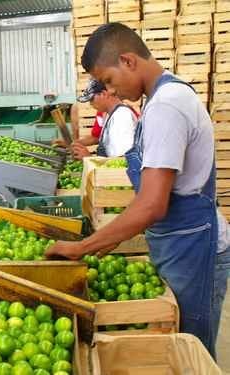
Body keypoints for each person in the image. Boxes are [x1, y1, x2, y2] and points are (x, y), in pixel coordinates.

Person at [45, 22, 230, 359]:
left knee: (193, 354)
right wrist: (113, 236)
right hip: (180, 241)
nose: (112, 91)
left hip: (195, 246)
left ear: (128, 61)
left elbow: (152, 205)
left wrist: (83, 247)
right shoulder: (164, 97)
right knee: (178, 348)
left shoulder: (166, 107)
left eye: (111, 80)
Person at [71, 79, 137, 159]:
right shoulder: (110, 115)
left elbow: (123, 160)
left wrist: (89, 158)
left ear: (104, 94)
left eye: (92, 99)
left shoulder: (121, 116)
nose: (90, 104)